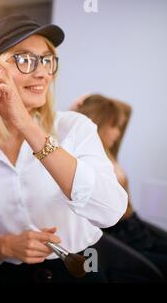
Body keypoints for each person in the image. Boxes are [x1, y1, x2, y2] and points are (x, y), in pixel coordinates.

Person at [0, 14, 128, 283]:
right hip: (4, 275)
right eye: (25, 59)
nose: (42, 73)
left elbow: (109, 211)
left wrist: (27, 126)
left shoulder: (75, 128)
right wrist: (1, 246)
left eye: (47, 60)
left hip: (81, 271)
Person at [73, 94, 167, 279]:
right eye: (114, 126)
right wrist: (76, 113)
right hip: (120, 236)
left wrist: (94, 100)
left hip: (136, 228)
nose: (118, 133)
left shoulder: (109, 152)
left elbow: (127, 111)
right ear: (98, 123)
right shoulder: (88, 160)